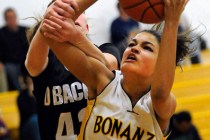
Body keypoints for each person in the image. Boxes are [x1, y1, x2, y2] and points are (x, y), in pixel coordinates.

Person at [41, 0, 193, 139]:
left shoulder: (160, 104)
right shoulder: (103, 82)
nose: (134, 49)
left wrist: (172, 22)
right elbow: (50, 29)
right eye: (132, 44)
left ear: (161, 63)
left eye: (147, 48)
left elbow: (160, 93)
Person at [25, 0, 120, 139]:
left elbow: (108, 67)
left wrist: (75, 37)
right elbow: (32, 65)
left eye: (75, 19)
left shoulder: (106, 49)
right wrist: (48, 21)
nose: (69, 18)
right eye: (60, 15)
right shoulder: (46, 59)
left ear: (86, 27)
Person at [0, 8, 29, 92]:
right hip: (9, 63)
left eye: (13, 17)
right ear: (6, 20)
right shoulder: (1, 33)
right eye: (9, 18)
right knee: (10, 69)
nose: (12, 20)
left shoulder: (25, 30)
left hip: (26, 61)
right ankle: (20, 91)